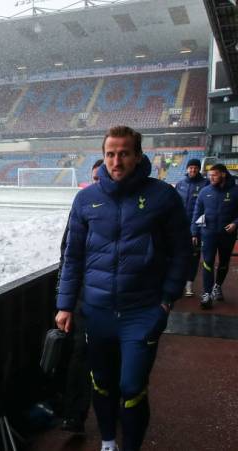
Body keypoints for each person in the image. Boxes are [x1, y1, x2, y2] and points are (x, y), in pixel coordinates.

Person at [56, 125, 190, 451]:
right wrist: (65, 304)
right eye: (110, 154)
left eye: (124, 153)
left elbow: (182, 252)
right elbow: (72, 257)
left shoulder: (163, 197)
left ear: (138, 156)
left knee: (131, 387)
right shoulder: (86, 199)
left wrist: (166, 300)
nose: (117, 161)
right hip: (97, 312)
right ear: (103, 156)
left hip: (142, 312)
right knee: (101, 384)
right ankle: (107, 443)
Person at [58, 158, 103, 435]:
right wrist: (64, 300)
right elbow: (68, 254)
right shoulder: (83, 204)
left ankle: (119, 406)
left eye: (104, 177)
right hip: (85, 298)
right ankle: (75, 416)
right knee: (80, 356)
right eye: (95, 178)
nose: (99, 183)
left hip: (118, 301)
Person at [191, 163, 238, 309]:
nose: (211, 178)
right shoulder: (205, 191)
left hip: (227, 235)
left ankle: (217, 286)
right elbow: (197, 213)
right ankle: (206, 293)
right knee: (208, 262)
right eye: (209, 175)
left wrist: (236, 223)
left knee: (223, 263)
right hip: (208, 233)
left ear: (223, 174)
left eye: (214, 175)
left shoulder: (236, 191)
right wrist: (194, 232)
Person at [175, 159, 208, 297]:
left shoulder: (205, 184)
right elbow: (174, 205)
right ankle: (178, 282)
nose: (193, 170)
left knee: (193, 257)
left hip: (197, 228)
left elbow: (207, 208)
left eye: (195, 168)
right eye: (191, 168)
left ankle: (189, 284)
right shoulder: (180, 184)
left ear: (199, 169)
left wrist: (197, 229)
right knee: (178, 255)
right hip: (179, 227)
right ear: (187, 169)